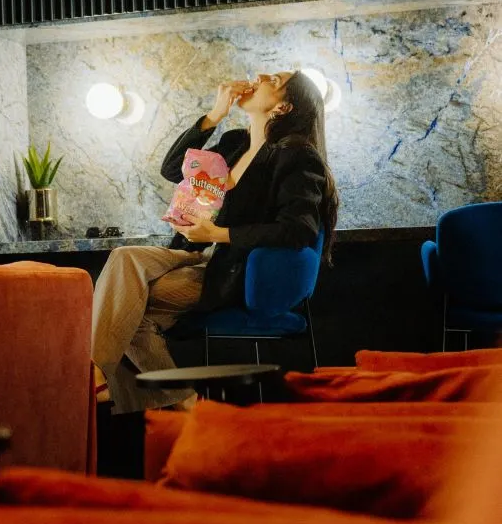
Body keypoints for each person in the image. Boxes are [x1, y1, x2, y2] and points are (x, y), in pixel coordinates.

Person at [92, 70, 339, 413]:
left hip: (232, 270)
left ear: (283, 108)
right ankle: (172, 399)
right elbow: (172, 168)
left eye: (274, 80)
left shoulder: (295, 155)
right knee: (124, 258)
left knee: (129, 303)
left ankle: (100, 377)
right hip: (194, 253)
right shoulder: (235, 143)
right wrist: (213, 115)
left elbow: (299, 230)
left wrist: (218, 235)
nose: (260, 75)